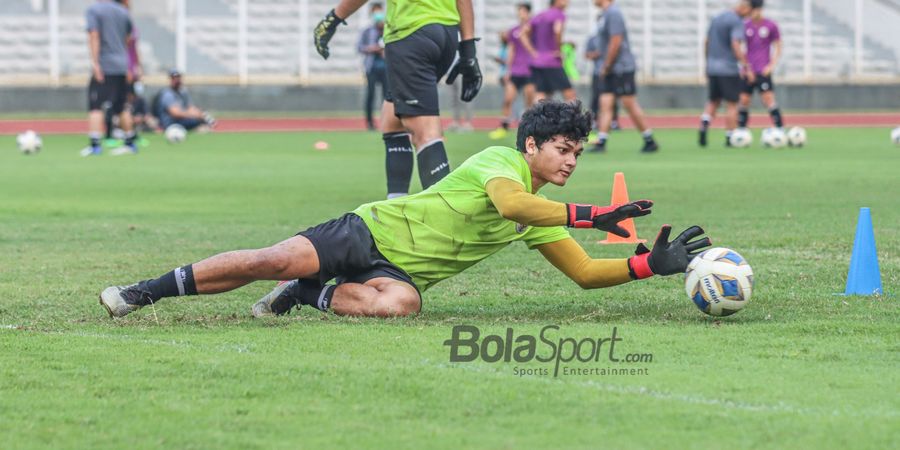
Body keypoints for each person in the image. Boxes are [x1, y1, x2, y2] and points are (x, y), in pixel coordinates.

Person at [98, 100, 712, 320]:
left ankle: (306, 295)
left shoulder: (544, 210)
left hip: (399, 274)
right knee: (269, 258)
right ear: (531, 145)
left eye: (578, 152)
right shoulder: (503, 164)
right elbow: (510, 202)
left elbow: (581, 273)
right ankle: (141, 293)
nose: (572, 160)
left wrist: (645, 268)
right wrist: (587, 214)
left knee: (401, 306)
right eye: (563, 149)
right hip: (371, 232)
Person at [314, 0, 482, 199]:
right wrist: (468, 48)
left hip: (410, 33)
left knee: (424, 132)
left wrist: (332, 19)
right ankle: (396, 206)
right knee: (392, 120)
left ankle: (448, 218)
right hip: (446, 35)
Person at [591, 0, 658, 154]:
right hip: (610, 69)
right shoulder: (605, 14)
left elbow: (616, 41)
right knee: (605, 104)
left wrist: (607, 64)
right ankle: (601, 141)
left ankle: (649, 139)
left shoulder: (614, 13)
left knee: (629, 104)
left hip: (621, 67)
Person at [81, 0, 137, 157]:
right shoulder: (123, 11)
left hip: (106, 65)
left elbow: (94, 34)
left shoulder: (94, 10)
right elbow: (128, 39)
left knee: (95, 105)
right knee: (121, 106)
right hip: (121, 65)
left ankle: (95, 145)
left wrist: (95, 63)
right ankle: (130, 142)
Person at [699, 0, 753, 147]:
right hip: (728, 68)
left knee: (713, 101)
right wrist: (746, 66)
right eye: (748, 12)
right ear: (745, 7)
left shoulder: (717, 18)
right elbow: (735, 44)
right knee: (732, 104)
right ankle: (730, 137)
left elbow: (706, 42)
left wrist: (707, 63)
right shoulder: (736, 21)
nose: (748, 16)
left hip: (712, 67)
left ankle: (704, 126)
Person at [489, 3, 535, 140]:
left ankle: (529, 129)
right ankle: (503, 127)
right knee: (508, 99)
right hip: (515, 71)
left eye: (522, 11)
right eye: (518, 11)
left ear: (528, 13)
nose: (520, 14)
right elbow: (511, 50)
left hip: (530, 71)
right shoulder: (514, 31)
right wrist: (507, 70)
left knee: (529, 102)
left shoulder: (534, 29)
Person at [738, 0, 783, 130]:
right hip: (748, 70)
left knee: (768, 99)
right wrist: (745, 67)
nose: (755, 13)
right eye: (753, 10)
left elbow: (778, 45)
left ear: (761, 9)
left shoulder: (771, 25)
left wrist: (771, 65)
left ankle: (779, 129)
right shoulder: (745, 26)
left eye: (757, 9)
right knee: (744, 100)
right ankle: (742, 130)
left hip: (763, 70)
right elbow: (739, 46)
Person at [521, 0, 575, 103]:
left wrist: (532, 52)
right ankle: (574, 118)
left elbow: (522, 34)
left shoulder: (540, 15)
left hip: (537, 61)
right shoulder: (559, 14)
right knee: (569, 93)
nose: (568, 1)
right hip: (551, 61)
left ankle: (536, 117)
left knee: (541, 93)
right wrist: (558, 50)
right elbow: (557, 31)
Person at [357, 3, 387, 131]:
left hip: (387, 68)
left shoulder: (389, 30)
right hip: (371, 67)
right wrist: (372, 49)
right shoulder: (367, 31)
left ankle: (386, 122)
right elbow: (359, 47)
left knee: (387, 97)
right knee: (371, 95)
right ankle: (369, 123)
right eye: (375, 13)